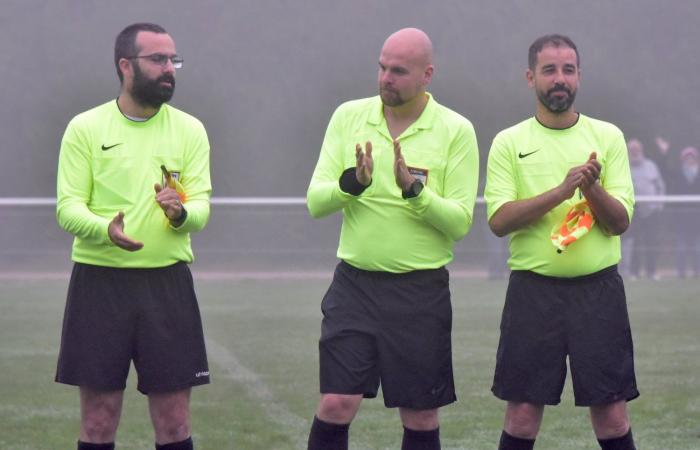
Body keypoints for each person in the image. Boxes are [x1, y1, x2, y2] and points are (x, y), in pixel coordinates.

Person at [305, 28, 479, 450]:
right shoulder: (348, 116)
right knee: (335, 403)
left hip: (421, 292)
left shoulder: (456, 129)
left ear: (427, 75)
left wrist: (415, 193)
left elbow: (459, 222)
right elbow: (316, 202)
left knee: (420, 413)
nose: (386, 78)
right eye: (382, 68)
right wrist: (354, 183)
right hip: (354, 287)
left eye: (399, 71)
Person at [55, 23, 211, 450]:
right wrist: (105, 229)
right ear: (125, 65)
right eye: (158, 59)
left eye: (173, 60)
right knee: (99, 423)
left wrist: (180, 214)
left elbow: (201, 207)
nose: (169, 69)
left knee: (175, 424)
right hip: (99, 284)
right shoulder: (85, 128)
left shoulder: (190, 130)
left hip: (167, 285)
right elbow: (68, 207)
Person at [484, 35, 639, 450]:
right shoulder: (509, 142)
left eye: (568, 70)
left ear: (579, 78)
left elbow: (619, 222)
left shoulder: (607, 137)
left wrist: (592, 189)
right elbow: (498, 221)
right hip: (532, 293)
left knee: (612, 416)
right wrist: (561, 190)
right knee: (521, 417)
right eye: (550, 70)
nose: (559, 79)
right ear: (530, 77)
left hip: (599, 293)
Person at [655, 138, 700, 278]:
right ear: (683, 160)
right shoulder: (678, 174)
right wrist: (664, 153)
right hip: (681, 219)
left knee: (697, 248)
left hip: (697, 219)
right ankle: (681, 274)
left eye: (692, 157)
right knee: (681, 248)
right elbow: (664, 171)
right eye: (687, 157)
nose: (690, 160)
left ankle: (697, 273)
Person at [622, 138, 665, 280]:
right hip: (632, 211)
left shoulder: (651, 166)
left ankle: (651, 272)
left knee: (651, 241)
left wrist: (659, 205)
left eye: (637, 150)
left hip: (651, 212)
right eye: (632, 150)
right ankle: (634, 272)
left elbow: (660, 186)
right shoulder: (623, 166)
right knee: (634, 242)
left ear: (641, 151)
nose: (634, 152)